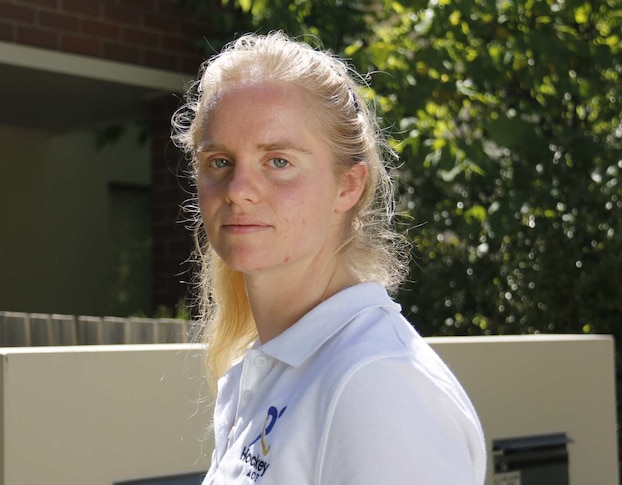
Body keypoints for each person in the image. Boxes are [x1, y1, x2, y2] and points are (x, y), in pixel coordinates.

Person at [171, 32, 486, 484]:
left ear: (348, 186)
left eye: (278, 161)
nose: (238, 190)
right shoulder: (272, 367)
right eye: (219, 161)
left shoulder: (376, 384)